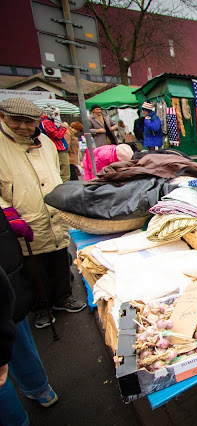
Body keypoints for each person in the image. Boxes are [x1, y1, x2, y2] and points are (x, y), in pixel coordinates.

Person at [0, 98, 86, 329]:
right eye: (17, 121)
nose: (24, 127)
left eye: (29, 122)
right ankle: (39, 307)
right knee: (31, 265)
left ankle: (63, 297)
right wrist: (7, 211)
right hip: (22, 213)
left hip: (52, 212)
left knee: (59, 255)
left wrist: (65, 195)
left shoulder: (45, 142)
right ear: (3, 117)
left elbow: (61, 170)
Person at [1, 209, 58, 425]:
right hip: (8, 274)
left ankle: (37, 391)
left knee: (14, 335)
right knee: (15, 334)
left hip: (7, 276)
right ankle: (40, 389)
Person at [40, 105, 71, 182]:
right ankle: (63, 189)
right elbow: (58, 135)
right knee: (64, 173)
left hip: (57, 149)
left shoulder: (48, 122)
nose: (57, 116)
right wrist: (63, 127)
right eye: (56, 114)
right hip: (58, 150)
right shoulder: (47, 122)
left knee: (63, 172)